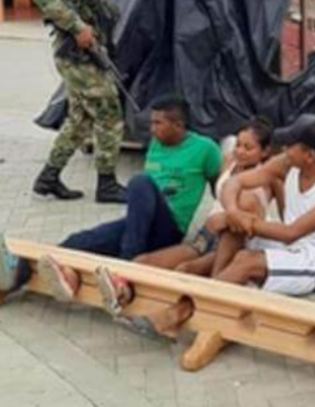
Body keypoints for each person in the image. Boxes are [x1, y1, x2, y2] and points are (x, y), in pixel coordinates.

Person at [116, 114, 315, 337]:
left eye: (291, 146)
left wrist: (243, 219)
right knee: (229, 234)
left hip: (313, 259)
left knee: (245, 260)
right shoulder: (287, 163)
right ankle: (213, 289)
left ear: (310, 155)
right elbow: (235, 183)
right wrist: (233, 213)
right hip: (282, 243)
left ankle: (179, 311)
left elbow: (291, 233)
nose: (284, 150)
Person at [34, 96, 223, 302]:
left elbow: (219, 186)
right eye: (151, 123)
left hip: (169, 228)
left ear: (178, 125)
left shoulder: (206, 149)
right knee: (81, 240)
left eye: (158, 123)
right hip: (139, 224)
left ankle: (126, 266)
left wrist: (216, 227)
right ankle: (33, 270)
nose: (152, 129)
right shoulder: (157, 144)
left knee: (140, 183)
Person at [94, 119, 283, 316]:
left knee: (184, 270)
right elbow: (217, 192)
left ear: (265, 151)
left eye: (248, 148)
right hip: (205, 236)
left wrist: (227, 218)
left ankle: (158, 314)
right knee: (144, 261)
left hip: (229, 244)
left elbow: (267, 218)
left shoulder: (266, 180)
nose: (240, 151)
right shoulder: (230, 161)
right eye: (238, 145)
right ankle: (121, 292)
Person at [31, 0, 127, 203]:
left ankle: (48, 178)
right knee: (108, 109)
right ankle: (107, 185)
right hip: (76, 54)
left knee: (80, 119)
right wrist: (77, 27)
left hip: (90, 52)